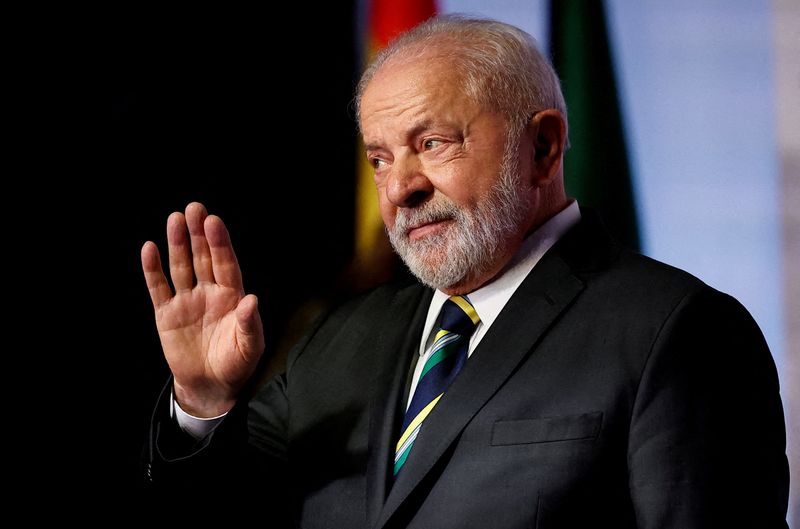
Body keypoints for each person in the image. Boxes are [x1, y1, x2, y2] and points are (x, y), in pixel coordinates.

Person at [140, 15, 789, 528]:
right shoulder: (338, 340)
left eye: (431, 144)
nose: (400, 189)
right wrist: (202, 400)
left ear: (543, 145)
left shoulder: (678, 332)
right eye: (380, 158)